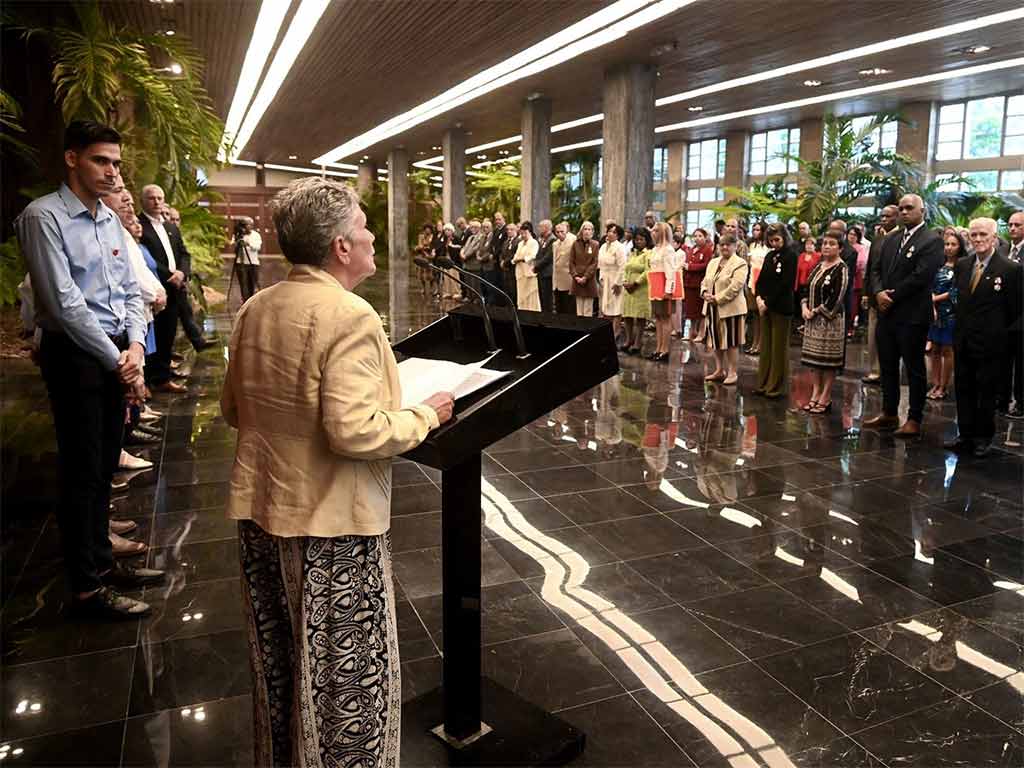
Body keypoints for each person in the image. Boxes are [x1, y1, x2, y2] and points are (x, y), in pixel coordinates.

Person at [221, 177, 454, 766]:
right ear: (340, 248)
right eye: (362, 225)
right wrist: (423, 414)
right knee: (345, 688)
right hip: (334, 532)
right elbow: (358, 431)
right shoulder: (349, 316)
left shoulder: (256, 307)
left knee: (282, 665)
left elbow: (232, 408)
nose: (373, 234)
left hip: (263, 514)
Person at [14, 120, 165, 619]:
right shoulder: (44, 218)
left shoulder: (108, 220)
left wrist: (138, 349)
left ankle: (103, 561)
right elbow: (63, 304)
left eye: (117, 163)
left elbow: (128, 293)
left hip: (117, 353)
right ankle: (85, 587)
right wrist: (120, 362)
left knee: (104, 466)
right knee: (81, 473)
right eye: (102, 160)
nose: (111, 172)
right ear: (73, 159)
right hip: (76, 354)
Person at [864, 194, 944, 437]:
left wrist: (892, 296)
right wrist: (878, 292)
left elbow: (922, 276)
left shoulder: (931, 240)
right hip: (886, 313)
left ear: (922, 211)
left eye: (909, 208)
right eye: (901, 208)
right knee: (887, 365)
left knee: (914, 368)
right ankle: (889, 413)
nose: (904, 212)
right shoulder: (891, 239)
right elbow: (875, 269)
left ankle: (914, 418)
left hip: (911, 314)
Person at [946, 218, 1022, 457]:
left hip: (992, 343)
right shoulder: (963, 264)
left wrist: (1005, 338)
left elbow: (1016, 309)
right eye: (974, 235)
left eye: (983, 235)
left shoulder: (1010, 270)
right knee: (964, 387)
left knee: (986, 391)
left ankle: (983, 437)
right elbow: (959, 300)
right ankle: (965, 434)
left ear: (994, 237)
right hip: (964, 339)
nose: (978, 239)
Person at [139, 184, 191, 392]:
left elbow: (184, 253)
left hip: (175, 288)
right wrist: (170, 276)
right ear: (143, 201)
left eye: (160, 198)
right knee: (154, 334)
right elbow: (142, 259)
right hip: (154, 288)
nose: (157, 202)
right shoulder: (139, 225)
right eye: (152, 198)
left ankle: (162, 377)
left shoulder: (170, 226)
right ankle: (149, 379)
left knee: (169, 333)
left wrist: (182, 273)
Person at [800, 230, 850, 414]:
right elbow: (806, 288)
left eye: (832, 244)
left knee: (827, 362)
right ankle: (815, 392)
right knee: (814, 361)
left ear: (840, 248)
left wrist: (817, 311)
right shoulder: (818, 266)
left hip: (830, 321)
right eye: (825, 244)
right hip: (811, 321)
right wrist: (804, 308)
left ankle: (826, 395)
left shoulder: (841, 268)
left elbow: (837, 297)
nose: (827, 247)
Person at [754, 223, 798, 398]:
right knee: (766, 347)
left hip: (781, 307)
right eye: (771, 240)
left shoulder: (791, 256)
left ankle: (775, 387)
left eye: (777, 240)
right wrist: (758, 297)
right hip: (765, 306)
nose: (774, 243)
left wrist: (768, 302)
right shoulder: (770, 255)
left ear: (785, 238)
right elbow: (762, 279)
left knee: (778, 348)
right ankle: (763, 383)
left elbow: (786, 284)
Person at [701, 233, 748, 386]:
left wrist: (717, 298)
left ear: (735, 246)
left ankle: (732, 372)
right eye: (722, 244)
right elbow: (705, 281)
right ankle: (719, 369)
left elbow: (735, 287)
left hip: (730, 308)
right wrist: (705, 293)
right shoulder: (713, 262)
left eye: (728, 244)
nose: (725, 247)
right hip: (712, 308)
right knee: (716, 340)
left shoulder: (740, 263)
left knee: (731, 341)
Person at [862, 205, 899, 384]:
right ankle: (874, 370)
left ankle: (889, 371)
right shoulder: (878, 238)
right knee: (872, 335)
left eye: (888, 216)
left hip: (892, 296)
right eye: (882, 216)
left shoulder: (901, 237)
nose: (883, 219)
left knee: (891, 337)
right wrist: (866, 292)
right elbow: (870, 267)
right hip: (874, 295)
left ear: (897, 217)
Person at [926, 231, 964, 402]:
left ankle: (944, 385)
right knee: (934, 348)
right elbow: (929, 285)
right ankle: (934, 383)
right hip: (934, 311)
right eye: (947, 244)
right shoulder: (938, 265)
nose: (949, 248)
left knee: (948, 350)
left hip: (951, 313)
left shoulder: (962, 266)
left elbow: (956, 291)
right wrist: (931, 302)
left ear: (960, 247)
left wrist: (935, 299)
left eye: (953, 244)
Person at [1000, 210, 1024, 418]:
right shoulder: (1004, 249)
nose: (1013, 228)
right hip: (1002, 315)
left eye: (1018, 225)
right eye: (1010, 225)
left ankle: (1021, 402)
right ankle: (1002, 398)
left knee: (1021, 362)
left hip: (1021, 315)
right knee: (1003, 359)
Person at [648, 222, 680, 361]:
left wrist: (669, 290)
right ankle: (658, 348)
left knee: (666, 319)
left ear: (662, 233)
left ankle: (665, 350)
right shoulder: (655, 249)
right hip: (655, 286)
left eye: (655, 231)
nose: (652, 232)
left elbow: (671, 272)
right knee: (658, 319)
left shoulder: (668, 249)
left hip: (664, 286)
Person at [622, 227, 652, 356]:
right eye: (636, 239)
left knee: (639, 317)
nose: (638, 241)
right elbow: (626, 268)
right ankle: (629, 340)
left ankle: (638, 342)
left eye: (641, 239)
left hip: (640, 288)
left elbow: (648, 271)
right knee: (627, 316)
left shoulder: (649, 253)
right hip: (628, 289)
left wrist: (636, 283)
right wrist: (624, 281)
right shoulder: (632, 252)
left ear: (646, 240)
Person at [599, 223, 627, 344]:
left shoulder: (620, 247)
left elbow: (622, 266)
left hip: (615, 278)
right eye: (609, 231)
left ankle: (616, 332)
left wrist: (618, 283)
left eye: (614, 232)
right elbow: (600, 264)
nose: (610, 233)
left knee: (616, 308)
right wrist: (601, 279)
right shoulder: (603, 246)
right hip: (605, 279)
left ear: (618, 235)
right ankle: (607, 332)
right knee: (606, 307)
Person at [683, 227, 713, 342]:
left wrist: (690, 267)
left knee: (700, 311)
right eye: (695, 236)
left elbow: (706, 265)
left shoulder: (707, 250)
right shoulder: (691, 249)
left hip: (699, 284)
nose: (697, 238)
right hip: (689, 284)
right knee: (690, 311)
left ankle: (701, 332)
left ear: (705, 238)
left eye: (700, 236)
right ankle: (692, 331)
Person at [745, 221, 769, 354]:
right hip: (751, 281)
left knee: (762, 315)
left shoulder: (767, 247)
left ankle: (761, 344)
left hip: (763, 282)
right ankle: (754, 342)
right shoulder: (751, 245)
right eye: (753, 229)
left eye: (758, 229)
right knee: (754, 313)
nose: (755, 232)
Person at [570, 221, 599, 317]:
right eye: (585, 229)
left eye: (589, 229)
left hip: (589, 280)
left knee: (588, 309)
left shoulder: (595, 244)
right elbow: (571, 262)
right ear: (581, 231)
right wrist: (576, 276)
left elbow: (594, 263)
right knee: (579, 310)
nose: (587, 231)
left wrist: (585, 277)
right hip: (577, 279)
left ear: (592, 232)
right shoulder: (575, 244)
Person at [513, 220, 541, 311]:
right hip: (520, 272)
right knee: (521, 294)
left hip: (529, 271)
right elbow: (515, 256)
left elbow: (532, 255)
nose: (523, 235)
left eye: (525, 233)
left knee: (530, 294)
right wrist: (516, 260)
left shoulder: (533, 242)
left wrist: (521, 259)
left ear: (529, 232)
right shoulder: (520, 243)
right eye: (521, 233)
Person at [531, 218, 556, 312]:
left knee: (547, 299)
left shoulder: (552, 240)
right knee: (542, 298)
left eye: (540, 227)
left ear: (546, 228)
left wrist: (536, 266)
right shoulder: (543, 239)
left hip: (547, 273)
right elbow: (538, 255)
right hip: (541, 272)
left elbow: (548, 257)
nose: (538, 228)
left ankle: (548, 318)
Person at [847, 225, 870, 329]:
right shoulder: (843, 246)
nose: (851, 236)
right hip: (842, 276)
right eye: (850, 234)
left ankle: (851, 325)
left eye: (854, 235)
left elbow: (861, 263)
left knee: (853, 303)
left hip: (856, 278)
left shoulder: (861, 248)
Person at [233, 218, 260, 303]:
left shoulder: (256, 235)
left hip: (253, 263)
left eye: (250, 224)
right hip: (240, 263)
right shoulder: (239, 235)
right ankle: (245, 301)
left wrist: (248, 244)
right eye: (246, 225)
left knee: (252, 284)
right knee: (243, 284)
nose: (248, 226)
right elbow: (234, 246)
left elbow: (257, 247)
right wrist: (238, 242)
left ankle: (251, 301)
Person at [552, 221, 576, 314]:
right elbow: (555, 262)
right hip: (557, 279)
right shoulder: (555, 244)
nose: (560, 234)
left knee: (569, 307)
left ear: (567, 231)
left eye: (562, 231)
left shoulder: (573, 240)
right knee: (559, 307)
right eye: (557, 232)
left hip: (568, 278)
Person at [459, 218, 486, 300]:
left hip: (475, 265)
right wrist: (461, 253)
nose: (473, 229)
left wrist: (465, 256)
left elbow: (475, 249)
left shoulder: (481, 237)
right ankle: (469, 298)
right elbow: (464, 247)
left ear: (479, 228)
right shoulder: (470, 237)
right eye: (471, 227)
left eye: (475, 227)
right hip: (467, 264)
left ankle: (476, 300)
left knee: (475, 285)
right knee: (468, 284)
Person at [485, 211, 508, 304]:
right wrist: (490, 252)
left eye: (499, 219)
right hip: (495, 261)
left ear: (504, 219)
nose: (497, 221)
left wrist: (494, 255)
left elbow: (502, 246)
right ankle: (497, 302)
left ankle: (502, 303)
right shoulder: (496, 230)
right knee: (496, 282)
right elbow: (492, 243)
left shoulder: (506, 230)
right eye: (496, 219)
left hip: (501, 260)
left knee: (502, 282)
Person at [414, 223, 437, 297]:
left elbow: (432, 246)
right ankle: (423, 287)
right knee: (420, 274)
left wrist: (425, 247)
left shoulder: (433, 236)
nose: (427, 230)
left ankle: (431, 288)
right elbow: (420, 246)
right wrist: (423, 248)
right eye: (426, 229)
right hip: (422, 256)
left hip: (429, 257)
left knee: (430, 274)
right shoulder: (421, 236)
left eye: (429, 229)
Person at [500, 221, 519, 305]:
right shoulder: (505, 242)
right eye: (508, 230)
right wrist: (501, 261)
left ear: (516, 230)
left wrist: (505, 262)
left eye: (511, 229)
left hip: (512, 269)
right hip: (505, 270)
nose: (509, 231)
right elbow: (502, 253)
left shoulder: (518, 241)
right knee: (506, 290)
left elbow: (514, 255)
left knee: (513, 290)